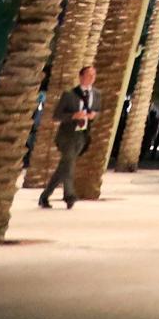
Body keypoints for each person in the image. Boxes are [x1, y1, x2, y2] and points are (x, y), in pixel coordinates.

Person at [38, 64, 96, 210]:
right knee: (69, 164)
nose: (91, 78)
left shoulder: (96, 95)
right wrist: (73, 116)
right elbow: (57, 115)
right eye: (89, 75)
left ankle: (45, 196)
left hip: (82, 135)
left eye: (93, 75)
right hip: (67, 135)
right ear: (81, 77)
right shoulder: (69, 95)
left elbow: (96, 112)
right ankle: (69, 195)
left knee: (64, 166)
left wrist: (92, 116)